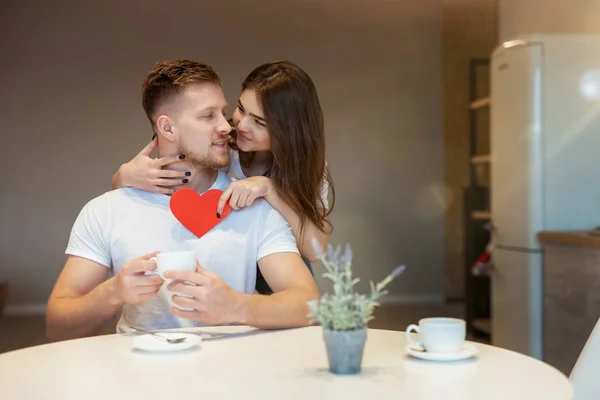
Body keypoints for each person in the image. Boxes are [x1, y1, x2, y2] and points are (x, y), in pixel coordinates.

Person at [45, 59, 320, 342]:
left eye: (223, 113)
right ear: (167, 128)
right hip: (134, 379)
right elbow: (57, 327)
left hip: (233, 377)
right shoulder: (105, 210)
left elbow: (311, 305)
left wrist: (236, 306)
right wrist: (112, 292)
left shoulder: (254, 205)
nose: (227, 127)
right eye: (207, 116)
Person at [111, 61, 334, 293]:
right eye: (240, 109)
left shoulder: (305, 164)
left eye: (259, 122)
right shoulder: (221, 144)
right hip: (229, 255)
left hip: (278, 263)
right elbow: (130, 191)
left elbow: (316, 249)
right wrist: (125, 174)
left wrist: (269, 189)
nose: (240, 125)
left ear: (288, 132)